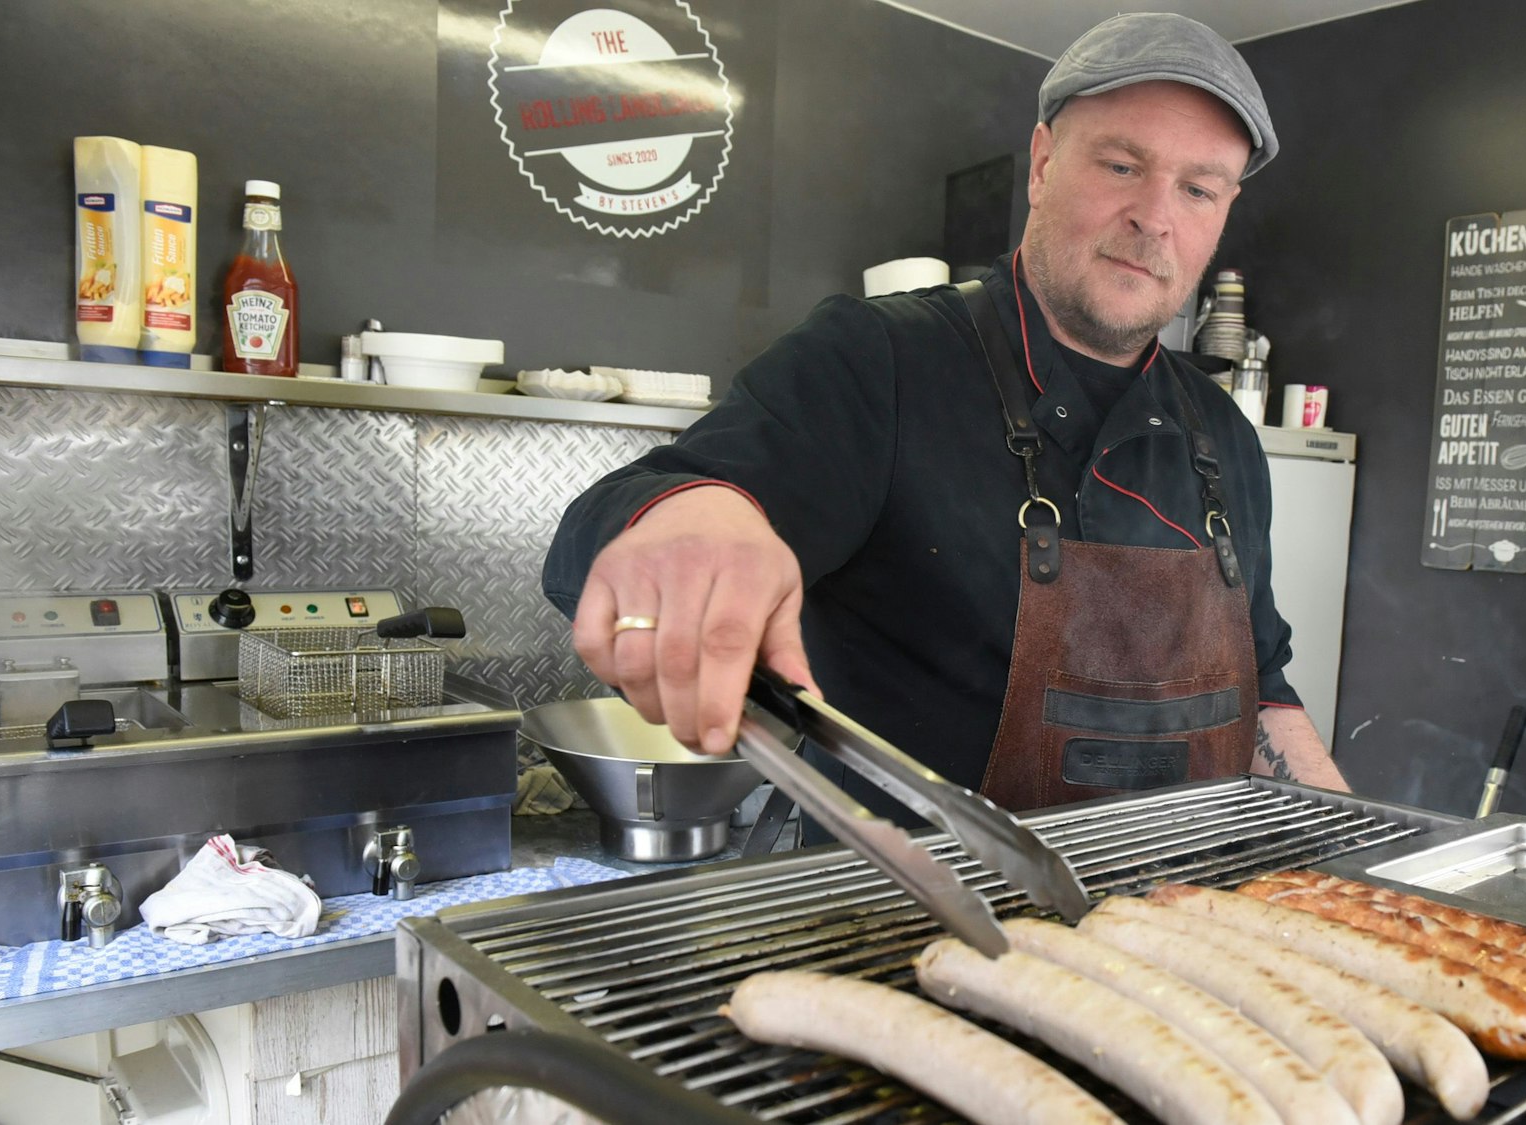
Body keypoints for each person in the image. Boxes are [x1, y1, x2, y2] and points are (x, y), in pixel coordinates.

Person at [544, 12, 1349, 823]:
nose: (1155, 216)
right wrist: (691, 518)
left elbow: (1266, 699)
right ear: (1042, 164)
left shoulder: (1225, 436)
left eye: (1198, 188)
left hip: (1169, 925)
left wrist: (1364, 866)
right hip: (900, 926)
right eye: (1120, 164)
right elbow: (623, 517)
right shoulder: (880, 359)